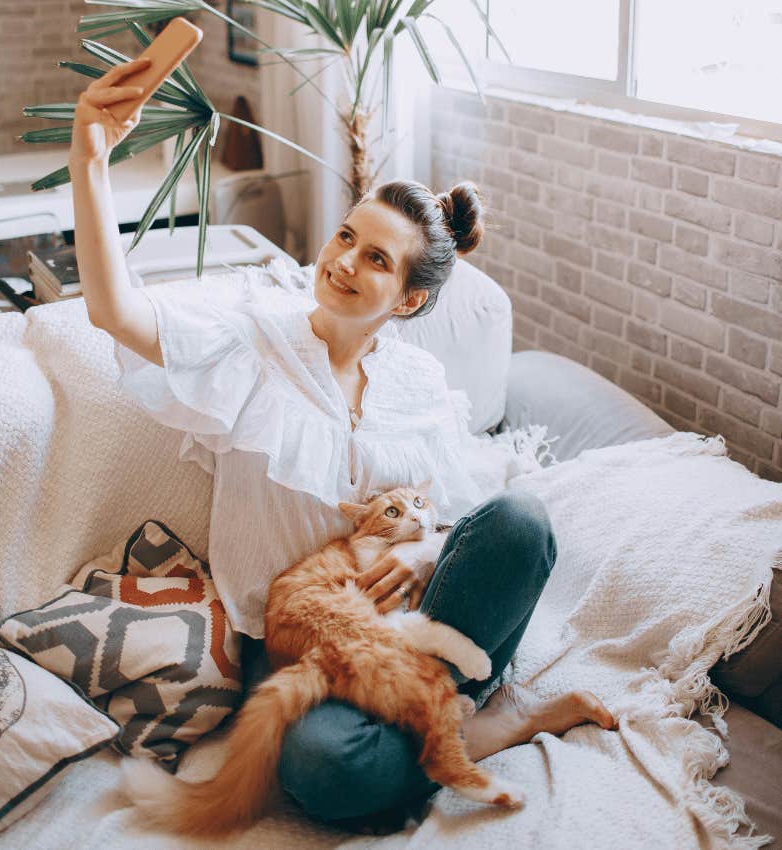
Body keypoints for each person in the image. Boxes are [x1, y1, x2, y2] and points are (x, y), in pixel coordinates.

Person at [69, 59, 615, 829]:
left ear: (410, 298)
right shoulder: (252, 339)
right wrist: (89, 160)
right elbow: (114, 311)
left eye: (377, 259)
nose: (344, 262)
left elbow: (458, 517)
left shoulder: (421, 384)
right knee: (321, 768)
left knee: (523, 520)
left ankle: (447, 708)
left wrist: (425, 554)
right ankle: (477, 728)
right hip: (307, 647)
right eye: (347, 235)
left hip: (424, 623)